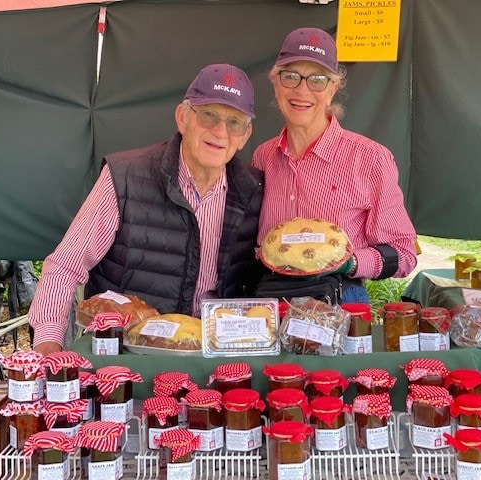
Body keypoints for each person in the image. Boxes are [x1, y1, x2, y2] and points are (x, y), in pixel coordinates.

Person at [28, 64, 263, 354]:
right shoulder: (125, 177)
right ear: (182, 118)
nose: (220, 131)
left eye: (234, 122)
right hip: (131, 355)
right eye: (208, 115)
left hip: (217, 357)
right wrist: (48, 343)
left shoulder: (254, 190)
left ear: (245, 135)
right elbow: (65, 267)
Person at [253, 27, 417, 303]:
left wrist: (349, 262)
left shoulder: (370, 159)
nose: (302, 90)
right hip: (271, 297)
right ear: (275, 83)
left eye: (317, 80)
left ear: (333, 88)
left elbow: (403, 253)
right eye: (290, 76)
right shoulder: (264, 157)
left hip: (340, 299)